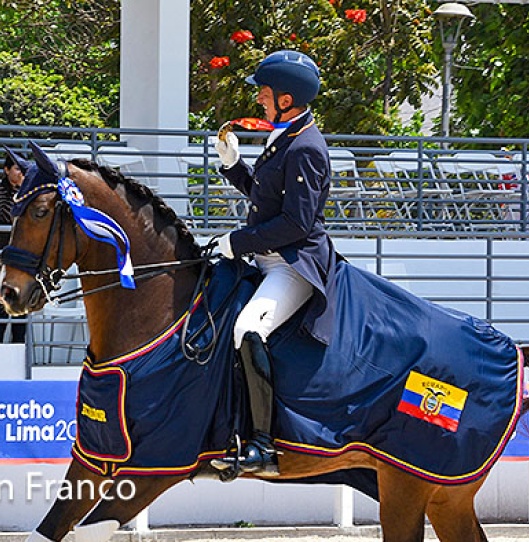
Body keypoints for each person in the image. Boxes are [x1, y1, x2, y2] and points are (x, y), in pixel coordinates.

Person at [209, 50, 338, 475]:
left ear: (287, 98)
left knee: (249, 329)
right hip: (267, 256)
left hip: (292, 264)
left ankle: (263, 443)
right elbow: (266, 201)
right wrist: (233, 166)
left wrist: (238, 241)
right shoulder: (284, 137)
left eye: (264, 94)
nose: (259, 100)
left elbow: (296, 223)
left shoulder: (306, 147)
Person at [0, 153, 27, 343]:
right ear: (7, 170)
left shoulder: (30, 191)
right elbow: (5, 214)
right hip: (2, 252)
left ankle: (19, 346)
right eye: (18, 169)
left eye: (24, 170)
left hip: (24, 252)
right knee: (1, 301)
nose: (21, 174)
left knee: (23, 299)